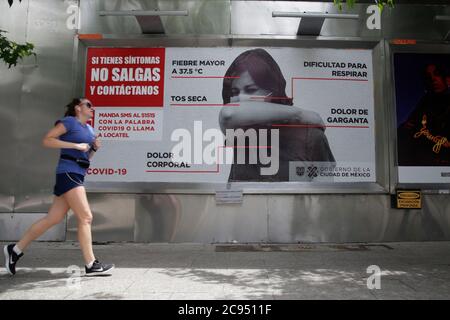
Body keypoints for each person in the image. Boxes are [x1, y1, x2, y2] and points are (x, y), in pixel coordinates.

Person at [4, 98, 114, 276]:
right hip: (68, 172)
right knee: (86, 217)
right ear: (78, 108)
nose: (92, 108)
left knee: (52, 218)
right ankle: (91, 264)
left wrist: (93, 149)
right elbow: (47, 140)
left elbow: (87, 158)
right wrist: (74, 145)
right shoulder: (70, 122)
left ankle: (14, 250)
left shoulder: (90, 129)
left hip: (77, 173)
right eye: (88, 105)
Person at [219, 48, 335, 181]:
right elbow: (228, 114)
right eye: (234, 92)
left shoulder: (311, 137)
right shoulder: (242, 134)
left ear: (273, 91)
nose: (240, 99)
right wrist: (300, 114)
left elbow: (326, 197)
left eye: (250, 90)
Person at [397, 63, 450, 166]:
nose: (433, 79)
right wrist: (406, 127)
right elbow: (410, 126)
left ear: (447, 78)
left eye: (437, 74)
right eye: (428, 77)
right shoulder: (425, 101)